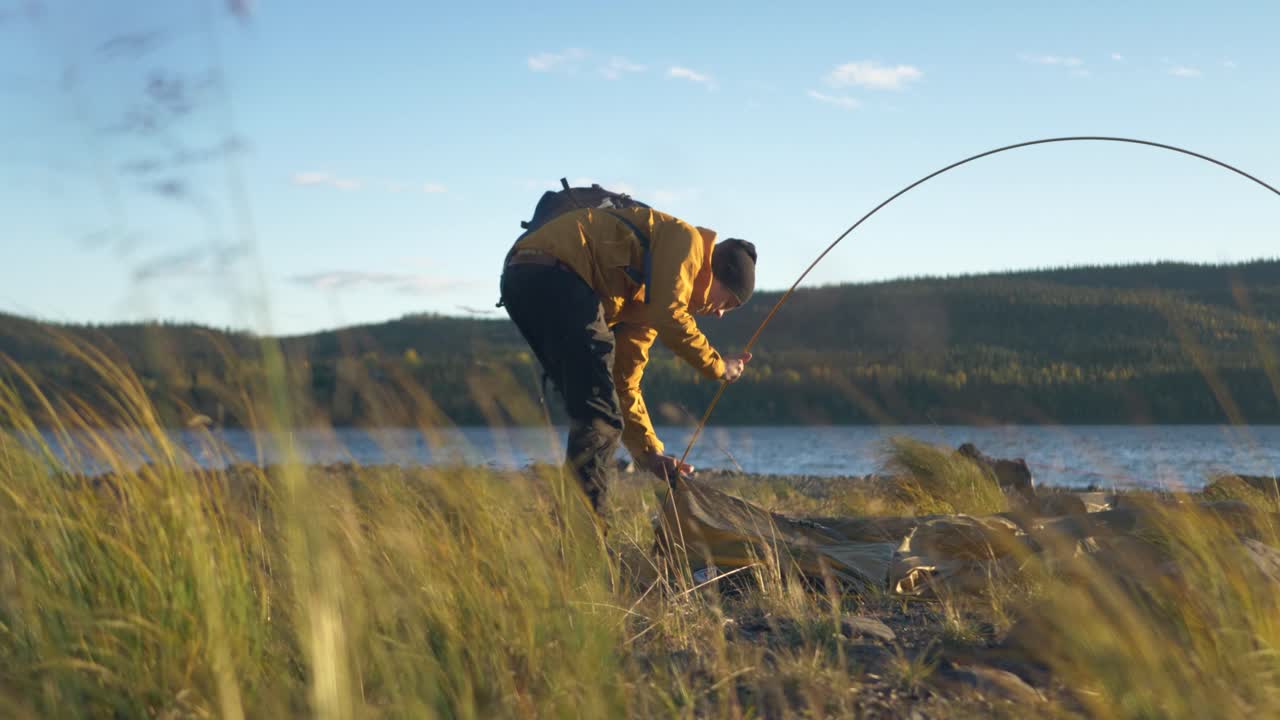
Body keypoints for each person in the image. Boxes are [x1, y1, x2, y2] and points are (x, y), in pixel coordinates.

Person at [499, 204, 756, 522]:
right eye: (728, 303)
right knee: (599, 414)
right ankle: (588, 536)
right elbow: (671, 316)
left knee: (595, 405)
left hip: (522, 278)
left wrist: (651, 454)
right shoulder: (686, 240)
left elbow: (624, 380)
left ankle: (575, 534)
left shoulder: (649, 299)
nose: (719, 313)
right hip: (556, 272)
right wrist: (719, 366)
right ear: (717, 275)